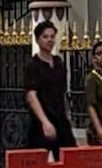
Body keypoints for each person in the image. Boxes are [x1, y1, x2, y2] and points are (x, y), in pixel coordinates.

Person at [23, 20, 75, 159]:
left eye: (52, 36)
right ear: (38, 40)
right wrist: (45, 122)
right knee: (38, 161)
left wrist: (67, 114)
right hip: (41, 121)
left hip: (60, 119)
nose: (49, 40)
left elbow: (62, 92)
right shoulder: (33, 65)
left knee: (69, 158)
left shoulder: (58, 62)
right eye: (45, 37)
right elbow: (31, 95)